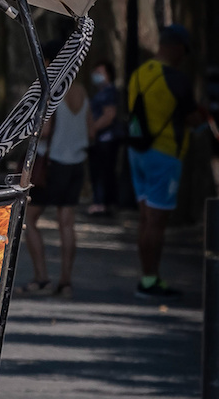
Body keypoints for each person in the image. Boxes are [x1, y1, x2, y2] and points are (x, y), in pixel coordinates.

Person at [127, 25, 205, 298]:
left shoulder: (139, 74)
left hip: (137, 151)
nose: (184, 56)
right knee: (157, 221)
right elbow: (192, 117)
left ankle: (146, 275)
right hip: (165, 154)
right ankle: (150, 279)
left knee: (146, 218)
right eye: (183, 50)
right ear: (174, 47)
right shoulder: (176, 79)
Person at [25, 62, 88, 296]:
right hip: (76, 163)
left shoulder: (51, 89)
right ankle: (66, 281)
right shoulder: (81, 89)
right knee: (67, 223)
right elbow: (90, 131)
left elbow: (47, 129)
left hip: (52, 164)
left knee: (29, 219)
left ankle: (41, 277)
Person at [85, 64, 120, 215]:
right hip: (98, 140)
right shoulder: (100, 92)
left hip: (106, 139)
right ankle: (100, 201)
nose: (96, 75)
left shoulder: (109, 92)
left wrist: (93, 129)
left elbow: (109, 115)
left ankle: (102, 204)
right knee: (97, 171)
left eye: (100, 72)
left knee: (103, 172)